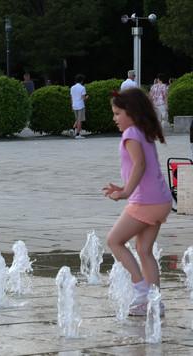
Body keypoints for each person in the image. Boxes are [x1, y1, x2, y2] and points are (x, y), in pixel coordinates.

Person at [103, 88, 171, 316]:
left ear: (131, 112)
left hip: (146, 201)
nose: (115, 119)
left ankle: (141, 290)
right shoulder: (143, 131)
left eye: (117, 113)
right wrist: (124, 188)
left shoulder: (131, 133)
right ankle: (154, 302)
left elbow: (140, 166)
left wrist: (125, 193)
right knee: (144, 250)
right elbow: (142, 167)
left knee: (114, 240)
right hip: (160, 199)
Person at [70, 74, 88, 139]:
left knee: (77, 119)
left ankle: (72, 129)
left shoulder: (72, 87)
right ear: (82, 81)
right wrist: (87, 97)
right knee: (80, 120)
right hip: (80, 105)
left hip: (74, 105)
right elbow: (83, 98)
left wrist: (72, 106)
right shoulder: (82, 88)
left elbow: (71, 98)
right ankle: (78, 134)